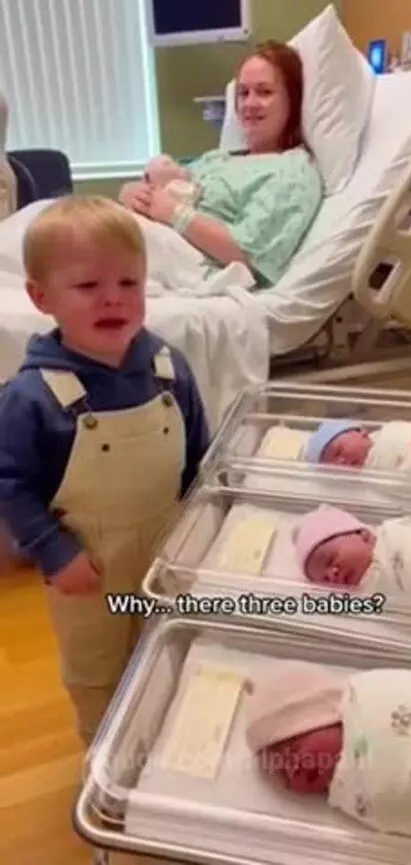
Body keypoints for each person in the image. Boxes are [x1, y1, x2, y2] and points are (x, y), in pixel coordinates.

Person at [0, 195, 210, 746]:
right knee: (98, 672)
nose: (112, 299)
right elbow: (11, 485)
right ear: (41, 298)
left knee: (166, 649)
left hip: (166, 552)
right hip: (86, 569)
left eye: (128, 283)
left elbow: (198, 457)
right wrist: (52, 551)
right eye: (89, 287)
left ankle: (159, 750)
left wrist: (203, 529)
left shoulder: (169, 367)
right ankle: (105, 762)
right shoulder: (32, 396)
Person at [119, 40, 323, 288]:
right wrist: (132, 193)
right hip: (154, 239)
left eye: (264, 92)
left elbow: (250, 255)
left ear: (293, 100)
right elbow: (167, 187)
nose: (250, 103)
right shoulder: (218, 159)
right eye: (243, 92)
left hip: (190, 263)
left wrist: (173, 212)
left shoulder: (293, 171)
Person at [245, 660, 411, 845]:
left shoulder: (371, 700)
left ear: (325, 717)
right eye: (284, 775)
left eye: (294, 751)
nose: (295, 769)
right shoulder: (352, 799)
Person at [294, 504, 411, 603]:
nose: (332, 574)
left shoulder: (395, 533)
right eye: (324, 580)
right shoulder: (374, 596)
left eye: (331, 560)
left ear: (362, 534)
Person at [304, 417, 411, 479]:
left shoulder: (391, 432)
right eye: (332, 464)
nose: (341, 461)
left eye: (339, 450)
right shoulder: (372, 479)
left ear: (361, 432)